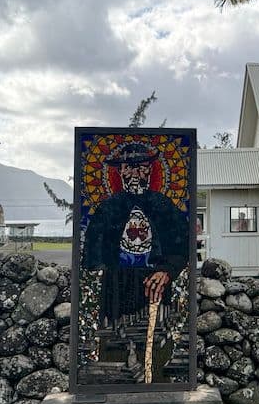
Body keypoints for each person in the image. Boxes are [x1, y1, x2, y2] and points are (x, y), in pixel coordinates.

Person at [81, 142, 189, 381]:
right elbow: (91, 253)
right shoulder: (108, 208)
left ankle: (158, 390)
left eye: (141, 168)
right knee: (114, 346)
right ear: (120, 173)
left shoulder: (164, 207)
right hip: (117, 288)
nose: (135, 174)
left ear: (151, 172)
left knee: (155, 346)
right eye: (129, 168)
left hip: (155, 286)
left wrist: (167, 271)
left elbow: (183, 248)